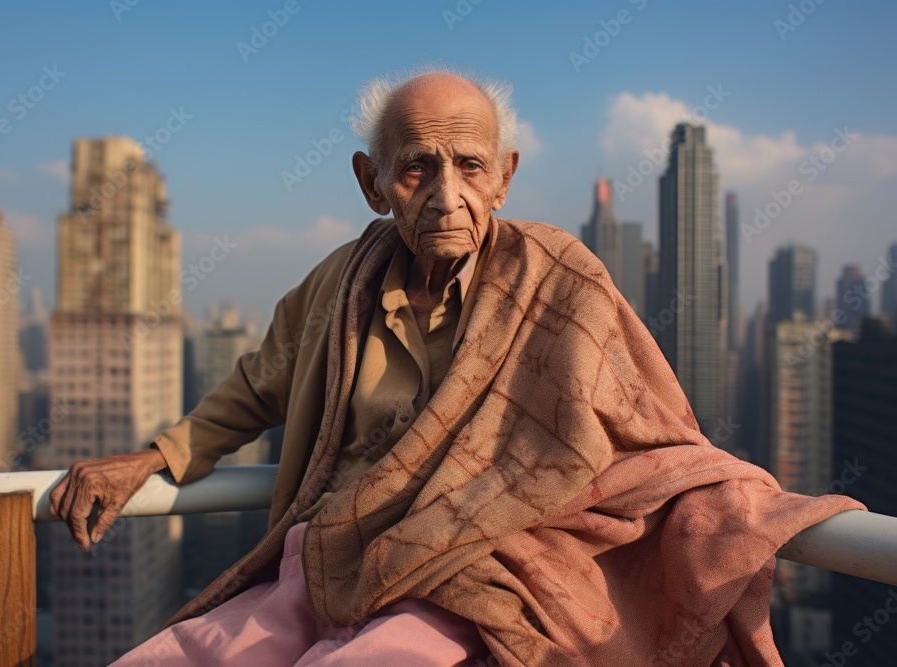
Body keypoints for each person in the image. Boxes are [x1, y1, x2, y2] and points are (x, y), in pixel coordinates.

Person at [50, 69, 862, 666]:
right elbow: (258, 383)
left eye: (470, 167)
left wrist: (720, 501)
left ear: (503, 177)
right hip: (328, 558)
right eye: (417, 167)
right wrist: (151, 460)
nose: (446, 194)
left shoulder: (563, 277)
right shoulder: (339, 284)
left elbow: (653, 427)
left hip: (477, 573)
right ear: (373, 184)